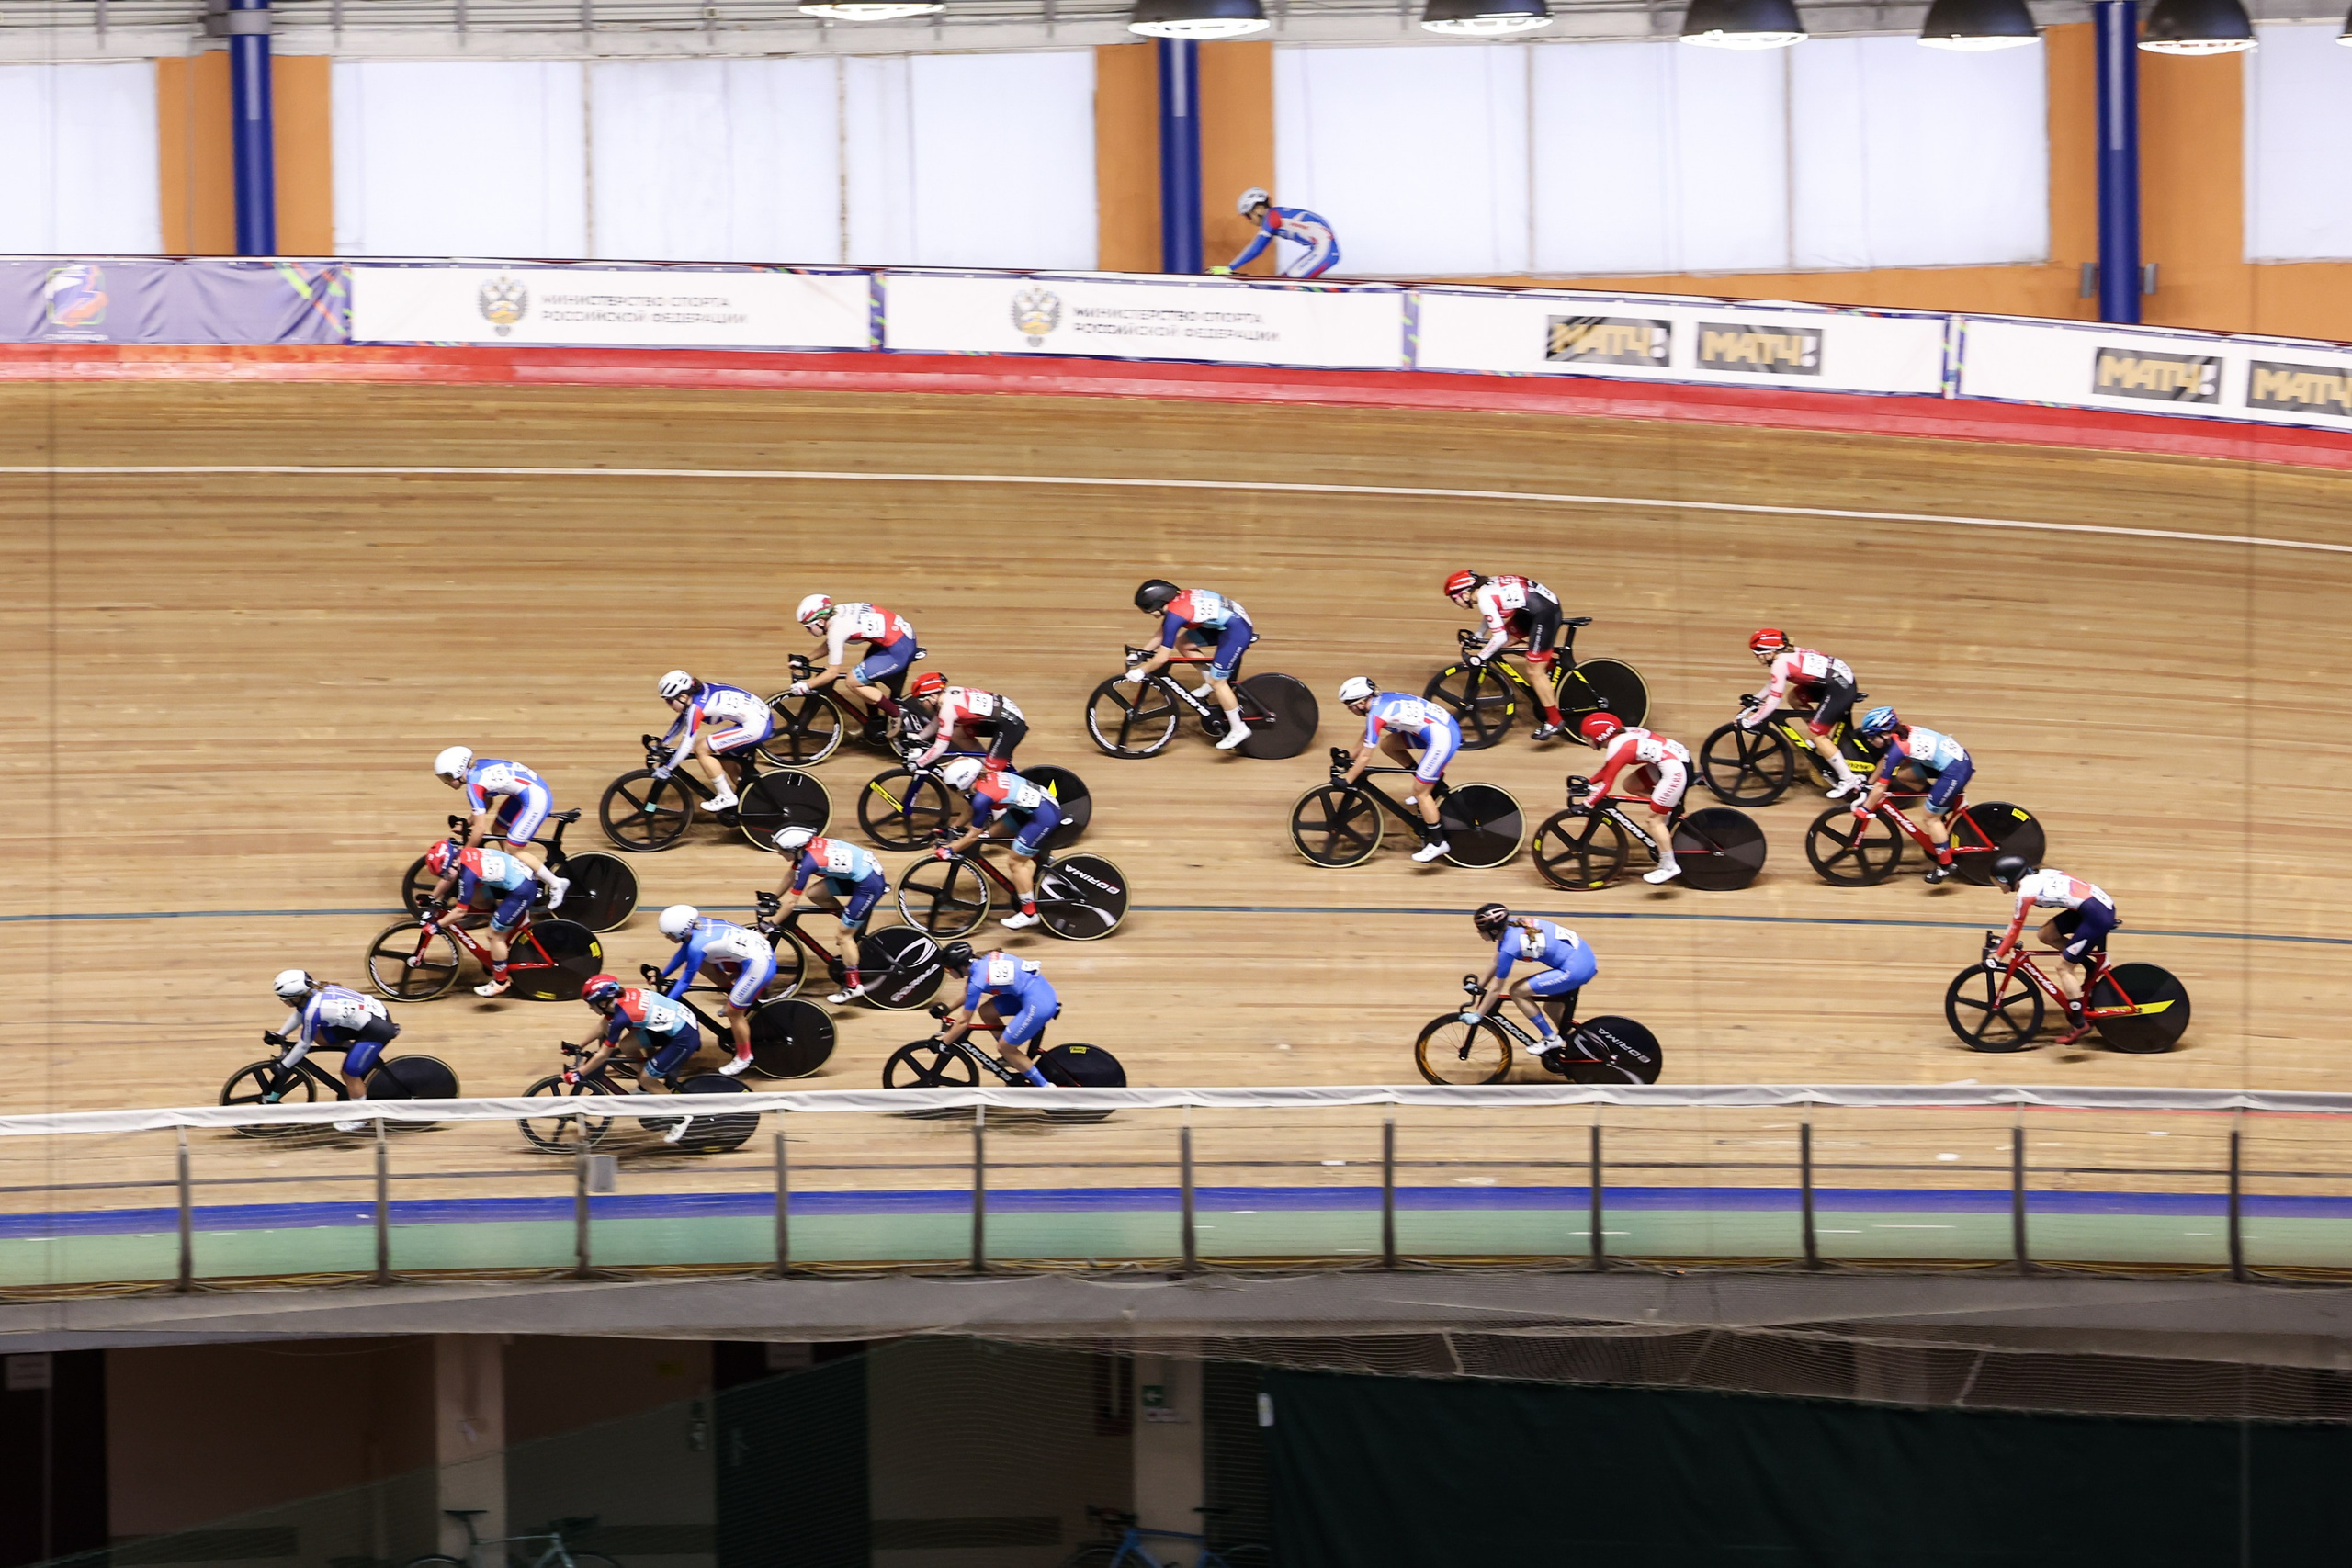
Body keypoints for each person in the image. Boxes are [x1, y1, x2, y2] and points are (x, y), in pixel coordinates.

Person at [1988, 856, 2119, 1047]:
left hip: (2095, 915)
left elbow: (2015, 928)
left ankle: (2079, 1022)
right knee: (2046, 934)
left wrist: (1998, 955)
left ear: (2008, 878)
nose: (2000, 888)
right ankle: (2089, 965)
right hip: (2095, 906)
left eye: (1999, 882)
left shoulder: (2025, 893)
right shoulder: (2039, 874)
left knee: (2064, 969)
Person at [565, 973, 705, 1145]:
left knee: (646, 1077)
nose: (589, 1008)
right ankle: (649, 1087)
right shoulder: (621, 998)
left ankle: (680, 1117)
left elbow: (603, 1055)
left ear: (602, 1002)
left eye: (591, 1004)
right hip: (677, 1023)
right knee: (627, 1046)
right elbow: (602, 1025)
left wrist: (579, 1073)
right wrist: (579, 1046)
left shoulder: (623, 1016)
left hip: (683, 1038)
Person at [1125, 580, 1256, 751]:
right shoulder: (1178, 602)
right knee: (1184, 644)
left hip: (1236, 631)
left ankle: (1239, 729)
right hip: (1228, 622)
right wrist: (1142, 652)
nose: (1150, 614)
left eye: (1149, 610)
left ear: (1158, 604)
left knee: (1219, 683)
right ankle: (1210, 680)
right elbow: (1164, 631)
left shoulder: (1175, 615)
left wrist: (1140, 672)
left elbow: (1162, 658)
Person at [1336, 677, 1457, 863]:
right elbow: (1368, 734)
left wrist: (1347, 780)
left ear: (1360, 703)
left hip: (1442, 737)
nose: (1349, 709)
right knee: (1389, 745)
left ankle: (1439, 842)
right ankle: (1427, 780)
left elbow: (1367, 756)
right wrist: (1349, 757)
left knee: (1420, 792)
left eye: (1349, 706)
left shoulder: (1377, 713)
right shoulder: (1378, 703)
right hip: (1438, 728)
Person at [1462, 904, 1598, 1070]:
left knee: (1517, 992)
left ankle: (1550, 1038)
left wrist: (1478, 1014)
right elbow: (1496, 961)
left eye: (1481, 930)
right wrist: (1479, 985)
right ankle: (1580, 1045)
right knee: (1552, 1007)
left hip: (1575, 968)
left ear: (1494, 931)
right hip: (1581, 957)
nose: (1478, 933)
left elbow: (1496, 989)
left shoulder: (1510, 946)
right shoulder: (1511, 926)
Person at [265, 969, 399, 1134]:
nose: (283, 1001)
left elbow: (303, 1045)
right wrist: (280, 1034)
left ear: (297, 997)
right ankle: (356, 1052)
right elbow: (300, 1014)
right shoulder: (315, 990)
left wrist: (284, 1065)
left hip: (377, 1029)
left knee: (349, 1073)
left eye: (285, 999)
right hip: (373, 1014)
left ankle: (361, 1116)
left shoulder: (314, 1010)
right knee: (321, 1037)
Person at [433, 746, 568, 908]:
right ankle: (523, 874)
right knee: (498, 830)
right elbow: (487, 802)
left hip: (535, 799)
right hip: (525, 793)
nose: (445, 782)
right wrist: (468, 823)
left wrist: (464, 855)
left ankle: (556, 883)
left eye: (445, 777)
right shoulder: (477, 769)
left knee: (513, 848)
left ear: (455, 772)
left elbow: (480, 830)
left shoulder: (473, 785)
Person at [934, 756, 1061, 929]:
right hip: (1029, 809)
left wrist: (951, 849)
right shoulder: (982, 781)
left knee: (1015, 862)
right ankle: (1045, 862)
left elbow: (973, 835)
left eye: (951, 787)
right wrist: (953, 828)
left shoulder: (982, 797)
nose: (951, 790)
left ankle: (1029, 913)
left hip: (1043, 816)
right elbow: (971, 809)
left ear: (961, 783)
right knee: (991, 836)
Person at [1851, 706, 1973, 885]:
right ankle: (1941, 802)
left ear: (1884, 734)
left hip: (1955, 770)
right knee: (1904, 775)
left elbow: (1881, 788)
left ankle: (1946, 865)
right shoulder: (1898, 735)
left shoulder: (1897, 748)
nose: (1869, 741)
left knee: (1930, 818)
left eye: (1872, 737)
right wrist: (1868, 784)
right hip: (1952, 761)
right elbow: (1885, 763)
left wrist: (1864, 809)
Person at [769, 826, 890, 1004]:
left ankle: (853, 986)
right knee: (815, 894)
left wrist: (771, 923)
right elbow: (790, 875)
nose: (779, 854)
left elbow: (791, 903)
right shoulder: (805, 851)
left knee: (843, 935)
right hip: (860, 875)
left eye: (781, 851)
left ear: (794, 849)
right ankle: (849, 919)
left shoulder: (809, 862)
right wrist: (773, 897)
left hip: (869, 886)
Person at [652, 904, 776, 1077]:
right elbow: (683, 953)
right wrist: (662, 974)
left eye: (669, 934)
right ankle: (735, 997)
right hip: (754, 951)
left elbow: (686, 981)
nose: (667, 937)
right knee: (704, 963)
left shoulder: (697, 945)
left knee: (734, 1013)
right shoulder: (698, 925)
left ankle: (744, 1057)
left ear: (681, 931)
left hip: (759, 964)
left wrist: (666, 1002)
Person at [1445, 570, 1570, 741]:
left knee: (1534, 672)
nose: (1455, 602)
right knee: (1503, 646)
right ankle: (1549, 664)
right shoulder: (1483, 590)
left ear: (1465, 593)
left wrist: (1480, 657)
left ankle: (1555, 720)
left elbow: (1498, 634)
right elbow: (1491, 618)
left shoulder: (1484, 599)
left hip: (1545, 613)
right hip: (1531, 608)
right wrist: (1478, 636)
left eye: (1454, 598)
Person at [1738, 630, 1864, 799]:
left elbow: (1774, 701)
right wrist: (1756, 698)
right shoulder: (1787, 652)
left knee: (1816, 735)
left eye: (1758, 654)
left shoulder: (1779, 664)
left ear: (1770, 652)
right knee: (1795, 698)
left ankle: (1848, 779)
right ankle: (1822, 736)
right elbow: (1775, 681)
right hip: (1837, 679)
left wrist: (1750, 722)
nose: (1757, 658)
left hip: (1839, 688)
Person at [1577, 713, 1691, 886]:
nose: (1586, 741)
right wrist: (1589, 782)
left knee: (1653, 820)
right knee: (1631, 784)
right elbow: (1608, 770)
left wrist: (1586, 804)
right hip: (1673, 760)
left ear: (1600, 736)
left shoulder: (1618, 747)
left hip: (1675, 768)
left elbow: (1607, 785)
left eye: (1587, 737)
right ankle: (1667, 807)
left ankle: (1669, 866)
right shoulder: (1622, 735)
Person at [419, 837, 539, 997]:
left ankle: (500, 982)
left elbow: (460, 912)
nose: (446, 878)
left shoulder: (468, 874)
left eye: (446, 873)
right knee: (476, 895)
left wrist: (436, 926)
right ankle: (502, 919)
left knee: (493, 935)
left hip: (522, 891)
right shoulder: (463, 856)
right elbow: (450, 880)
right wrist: (433, 898)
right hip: (519, 879)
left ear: (454, 862)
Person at [935, 942, 1059, 1086]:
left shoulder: (977, 981)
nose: (948, 973)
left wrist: (944, 1042)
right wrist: (946, 1009)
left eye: (948, 969)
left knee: (1005, 1047)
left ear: (961, 967)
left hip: (1039, 1002)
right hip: (1033, 992)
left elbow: (963, 1021)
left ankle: (1046, 1087)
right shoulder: (980, 963)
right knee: (986, 1011)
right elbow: (969, 992)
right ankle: (1010, 1058)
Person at [655, 670, 775, 814]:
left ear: (683, 696)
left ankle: (726, 796)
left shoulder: (696, 707)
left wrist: (668, 768)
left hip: (756, 726)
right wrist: (664, 743)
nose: (668, 704)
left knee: (701, 749)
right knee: (723, 757)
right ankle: (751, 797)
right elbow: (683, 719)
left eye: (669, 700)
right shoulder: (699, 692)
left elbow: (687, 744)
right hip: (761, 717)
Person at [790, 595, 918, 720]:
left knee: (853, 681)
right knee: (863, 675)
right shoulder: (837, 612)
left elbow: (832, 673)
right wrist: (807, 659)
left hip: (898, 649)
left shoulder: (837, 630)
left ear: (820, 622)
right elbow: (832, 642)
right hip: (899, 638)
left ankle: (899, 717)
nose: (808, 631)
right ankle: (873, 719)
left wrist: (806, 686)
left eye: (808, 627)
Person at [903, 671, 1027, 772]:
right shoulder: (947, 693)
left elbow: (940, 747)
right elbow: (936, 722)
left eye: (921, 701)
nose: (920, 705)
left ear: (933, 697)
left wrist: (919, 763)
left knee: (992, 773)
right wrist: (919, 738)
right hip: (1003, 715)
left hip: (1011, 725)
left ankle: (1000, 775)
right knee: (958, 734)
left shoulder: (948, 709)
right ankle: (986, 762)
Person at [1211, 188, 1340, 279]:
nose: (1249, 221)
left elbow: (1255, 248)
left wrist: (1230, 267)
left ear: (1259, 209)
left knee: (1291, 282)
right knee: (1286, 280)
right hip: (1322, 247)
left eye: (1248, 216)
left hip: (1325, 247)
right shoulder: (1275, 217)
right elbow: (1258, 248)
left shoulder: (1273, 218)